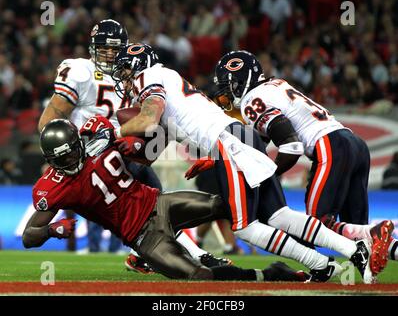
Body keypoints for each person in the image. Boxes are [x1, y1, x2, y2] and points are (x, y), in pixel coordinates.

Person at [87, 43, 388, 283]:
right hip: (236, 139)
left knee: (244, 227)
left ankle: (336, 257)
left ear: (138, 67)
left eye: (126, 71)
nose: (124, 78)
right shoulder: (168, 80)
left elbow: (149, 117)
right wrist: (121, 144)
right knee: (280, 215)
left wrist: (111, 129)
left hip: (229, 142)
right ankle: (334, 259)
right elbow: (153, 145)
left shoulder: (148, 77)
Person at [37, 19, 227, 272]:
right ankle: (195, 255)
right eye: (104, 47)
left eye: (116, 48)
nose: (110, 53)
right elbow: (49, 120)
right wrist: (63, 152)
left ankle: (150, 255)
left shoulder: (131, 72)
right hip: (91, 155)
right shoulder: (79, 71)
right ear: (93, 47)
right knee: (150, 206)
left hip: (121, 146)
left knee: (153, 202)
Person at [22, 118, 308, 283]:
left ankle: (291, 227)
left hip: (160, 204)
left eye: (71, 153)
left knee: (226, 204)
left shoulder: (98, 139)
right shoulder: (53, 187)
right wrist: (50, 230)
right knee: (200, 278)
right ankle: (268, 273)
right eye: (61, 160)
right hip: (143, 238)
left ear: (77, 144)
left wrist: (136, 144)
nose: (69, 162)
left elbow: (152, 140)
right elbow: (28, 236)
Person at [211, 49, 395, 271]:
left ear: (241, 80)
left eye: (227, 83)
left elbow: (292, 147)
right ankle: (380, 243)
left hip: (331, 146)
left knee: (316, 226)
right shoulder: (275, 85)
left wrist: (265, 177)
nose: (225, 92)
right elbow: (257, 147)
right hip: (354, 144)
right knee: (357, 232)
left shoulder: (252, 101)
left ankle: (321, 268)